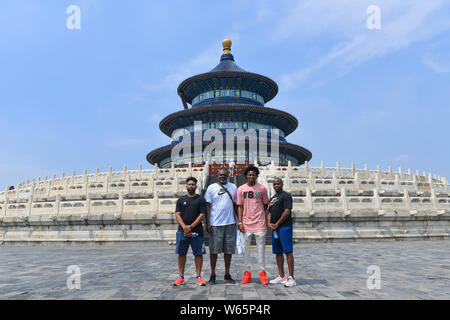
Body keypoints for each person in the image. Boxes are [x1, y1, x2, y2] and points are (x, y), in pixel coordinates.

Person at [237, 165, 269, 285]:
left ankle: (262, 273)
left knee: (261, 251)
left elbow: (265, 204)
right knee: (246, 251)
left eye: (253, 175)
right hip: (245, 224)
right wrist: (240, 222)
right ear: (246, 176)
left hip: (259, 224)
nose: (251, 177)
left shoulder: (262, 189)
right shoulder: (241, 189)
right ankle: (247, 273)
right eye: (249, 175)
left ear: (256, 176)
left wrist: (258, 213)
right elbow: (239, 206)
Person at [204, 169, 238, 284]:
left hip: (230, 223)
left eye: (224, 175)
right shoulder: (211, 187)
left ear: (228, 176)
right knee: (214, 251)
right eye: (220, 175)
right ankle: (213, 274)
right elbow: (207, 206)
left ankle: (227, 274)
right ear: (217, 176)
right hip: (215, 224)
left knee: (228, 251)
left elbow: (235, 205)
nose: (222, 176)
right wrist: (208, 222)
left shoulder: (233, 187)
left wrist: (239, 221)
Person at [173, 177, 207, 286]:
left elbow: (202, 214)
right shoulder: (181, 200)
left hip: (197, 231)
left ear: (196, 186)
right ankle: (181, 276)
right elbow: (177, 214)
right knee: (181, 253)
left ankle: (198, 276)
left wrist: (191, 227)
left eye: (193, 184)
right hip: (182, 231)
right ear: (186, 186)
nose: (191, 186)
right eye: (189, 184)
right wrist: (184, 227)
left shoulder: (200, 199)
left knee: (198, 254)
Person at [268, 177, 296, 287]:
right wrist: (269, 223)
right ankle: (281, 276)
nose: (276, 186)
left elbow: (287, 211)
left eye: (278, 184)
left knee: (288, 251)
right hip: (275, 229)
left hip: (284, 227)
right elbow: (269, 212)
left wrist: (277, 224)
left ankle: (291, 277)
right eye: (274, 184)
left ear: (282, 184)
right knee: (278, 252)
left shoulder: (286, 196)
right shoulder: (272, 198)